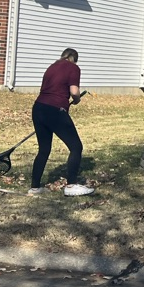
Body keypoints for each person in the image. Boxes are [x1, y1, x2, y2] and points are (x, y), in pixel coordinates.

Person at [29, 48, 94, 197]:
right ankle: (71, 185)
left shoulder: (52, 67)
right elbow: (74, 91)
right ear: (73, 58)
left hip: (38, 108)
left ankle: (34, 188)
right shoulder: (73, 68)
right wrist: (77, 100)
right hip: (55, 110)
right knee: (76, 147)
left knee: (44, 149)